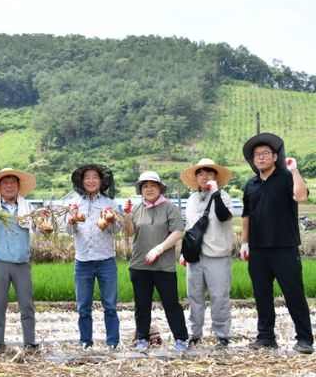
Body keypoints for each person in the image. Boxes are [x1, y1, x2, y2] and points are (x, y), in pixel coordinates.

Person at [240, 133, 313, 354]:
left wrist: (295, 170)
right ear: (253, 160)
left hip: (284, 247)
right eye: (257, 155)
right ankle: (266, 337)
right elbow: (246, 216)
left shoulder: (286, 177)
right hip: (258, 249)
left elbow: (301, 197)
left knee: (293, 293)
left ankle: (304, 339)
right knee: (262, 294)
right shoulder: (251, 184)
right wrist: (245, 242)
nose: (261, 157)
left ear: (274, 157)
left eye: (265, 153)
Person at [123, 171, 188, 352]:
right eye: (145, 186)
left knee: (171, 304)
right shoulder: (137, 209)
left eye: (153, 185)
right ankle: (142, 338)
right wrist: (127, 216)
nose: (149, 189)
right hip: (139, 265)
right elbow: (129, 232)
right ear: (141, 190)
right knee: (142, 305)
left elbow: (178, 231)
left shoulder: (170, 208)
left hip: (164, 266)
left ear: (160, 188)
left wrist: (160, 248)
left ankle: (180, 338)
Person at [0, 168, 37, 353]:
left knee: (27, 305)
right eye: (5, 183)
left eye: (12, 182)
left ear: (18, 186)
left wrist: (44, 224)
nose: (9, 186)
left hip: (22, 263)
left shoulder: (27, 209)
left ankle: (30, 342)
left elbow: (39, 230)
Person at [64, 163, 122, 351]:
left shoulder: (110, 203)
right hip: (82, 261)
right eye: (87, 177)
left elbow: (117, 229)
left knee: (110, 305)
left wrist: (111, 220)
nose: (91, 181)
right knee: (83, 307)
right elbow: (68, 230)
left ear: (101, 181)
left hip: (106, 260)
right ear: (82, 181)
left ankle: (112, 343)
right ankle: (85, 342)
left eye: (95, 177)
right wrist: (72, 220)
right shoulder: (73, 203)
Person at [179, 159, 234, 348]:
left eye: (209, 172)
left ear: (216, 176)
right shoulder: (192, 199)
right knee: (194, 296)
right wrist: (185, 252)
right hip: (195, 257)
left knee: (219, 297)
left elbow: (223, 216)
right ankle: (194, 334)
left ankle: (223, 335)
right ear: (196, 178)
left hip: (217, 255)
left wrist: (215, 192)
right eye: (200, 173)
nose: (204, 176)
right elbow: (189, 228)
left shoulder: (223, 196)